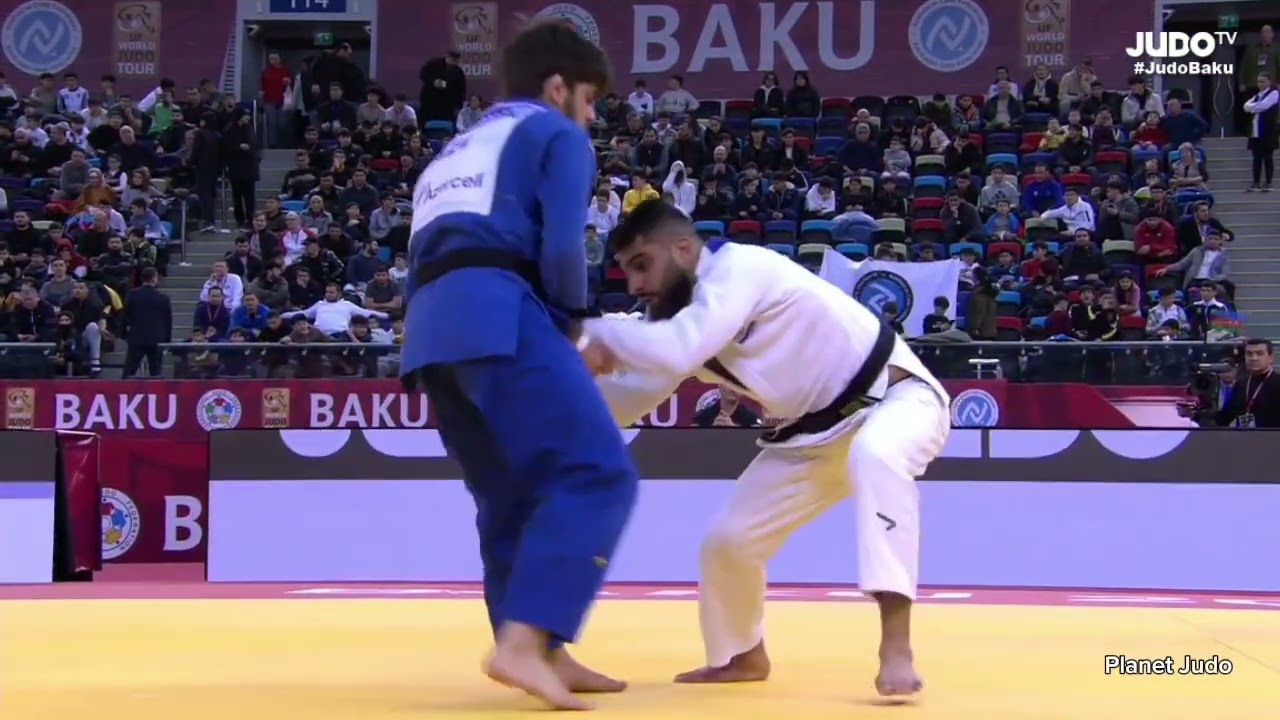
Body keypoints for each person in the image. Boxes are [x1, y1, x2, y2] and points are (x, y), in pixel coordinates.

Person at [579, 199, 950, 698]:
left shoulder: (742, 268)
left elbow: (678, 347)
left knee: (876, 455)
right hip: (810, 437)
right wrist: (562, 400)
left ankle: (896, 646)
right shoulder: (677, 322)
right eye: (626, 271)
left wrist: (602, 336)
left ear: (683, 249)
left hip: (897, 399)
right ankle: (742, 653)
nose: (635, 285)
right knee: (729, 542)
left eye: (642, 265)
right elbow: (630, 397)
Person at [399, 22, 636, 710]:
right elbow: (562, 245)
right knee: (596, 471)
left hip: (430, 331)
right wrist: (573, 328)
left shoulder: (455, 150)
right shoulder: (556, 133)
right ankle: (525, 644)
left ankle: (542, 649)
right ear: (559, 88)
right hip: (500, 311)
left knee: (508, 495)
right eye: (589, 101)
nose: (590, 118)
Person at [122, 267, 172, 377]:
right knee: (155, 372)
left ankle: (124, 387)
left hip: (136, 337)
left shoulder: (132, 295)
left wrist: (124, 334)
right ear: (154, 278)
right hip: (156, 338)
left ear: (142, 278)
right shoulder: (163, 298)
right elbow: (167, 321)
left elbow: (125, 316)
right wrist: (167, 340)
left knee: (129, 372)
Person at [1242, 72, 1278, 192]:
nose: (1260, 84)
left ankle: (1268, 182)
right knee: (1256, 157)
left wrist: (1252, 108)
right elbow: (1246, 106)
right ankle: (1256, 182)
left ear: (1269, 82)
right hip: (1255, 131)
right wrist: (1253, 107)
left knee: (1268, 157)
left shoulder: (1274, 93)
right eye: (1259, 81)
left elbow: (1264, 106)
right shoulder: (1258, 95)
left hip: (1268, 130)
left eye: (1263, 81)